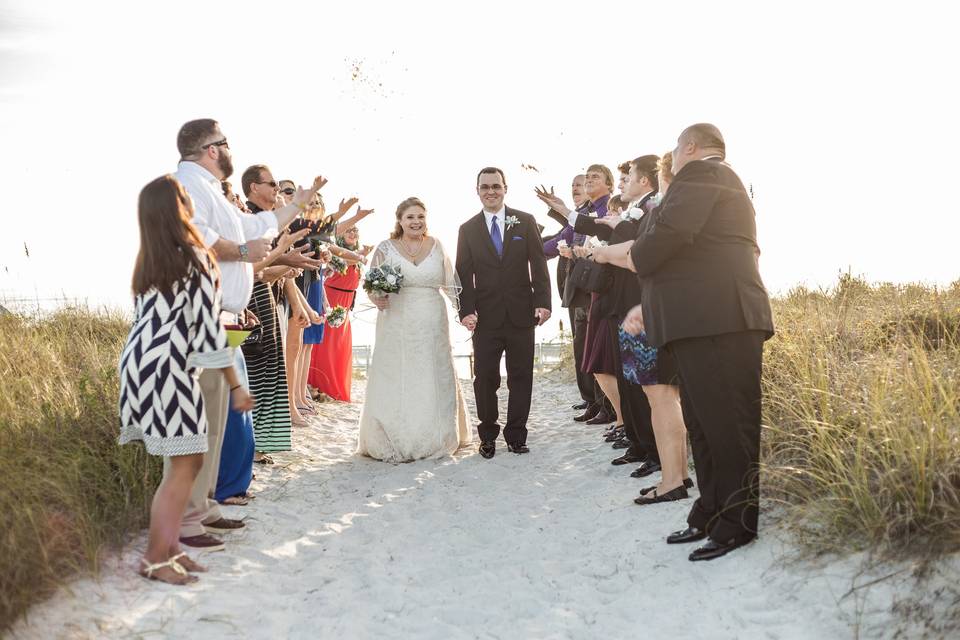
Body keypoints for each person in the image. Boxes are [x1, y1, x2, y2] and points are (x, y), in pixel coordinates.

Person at [621, 124, 774, 560]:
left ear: (690, 147)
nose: (672, 156)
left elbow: (656, 244)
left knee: (728, 428)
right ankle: (709, 512)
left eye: (675, 148)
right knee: (706, 427)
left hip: (720, 322)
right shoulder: (709, 181)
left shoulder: (703, 174)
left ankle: (737, 524)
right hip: (702, 323)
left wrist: (644, 250)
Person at [118, 175, 254, 584]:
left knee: (182, 460)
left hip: (140, 364)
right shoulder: (197, 255)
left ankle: (170, 548)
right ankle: (156, 558)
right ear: (179, 209)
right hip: (170, 368)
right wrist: (235, 384)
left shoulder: (149, 261)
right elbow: (211, 331)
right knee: (187, 463)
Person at [591, 154, 691, 499]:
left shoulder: (660, 211)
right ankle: (677, 474)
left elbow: (639, 253)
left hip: (656, 315)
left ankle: (672, 481)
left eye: (631, 175)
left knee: (661, 398)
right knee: (663, 397)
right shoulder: (665, 210)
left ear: (660, 177)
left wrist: (603, 254)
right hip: (653, 309)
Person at [357, 197, 470, 462]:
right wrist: (377, 298)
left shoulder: (437, 246)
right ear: (400, 220)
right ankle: (393, 434)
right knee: (398, 374)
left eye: (420, 216)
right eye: (410, 217)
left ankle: (437, 434)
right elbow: (372, 286)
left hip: (432, 319)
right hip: (396, 319)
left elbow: (450, 287)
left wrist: (465, 314)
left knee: (432, 372)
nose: (416, 222)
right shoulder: (386, 248)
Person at [456, 167, 552, 459]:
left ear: (505, 188)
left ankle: (516, 435)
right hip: (485, 317)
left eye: (496, 186)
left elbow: (538, 264)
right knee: (485, 378)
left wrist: (543, 302)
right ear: (477, 191)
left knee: (521, 376)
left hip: (522, 314)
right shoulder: (468, 229)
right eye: (485, 187)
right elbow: (463, 273)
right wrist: (466, 311)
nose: (491, 191)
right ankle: (487, 436)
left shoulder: (525, 221)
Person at [541, 174, 598, 413]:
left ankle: (597, 402)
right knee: (579, 344)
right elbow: (558, 240)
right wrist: (534, 251)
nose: (576, 188)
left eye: (581, 184)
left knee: (587, 344)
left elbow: (567, 238)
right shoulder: (573, 219)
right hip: (573, 289)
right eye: (573, 184)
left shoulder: (593, 213)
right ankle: (589, 398)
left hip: (587, 287)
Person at [308, 224, 369, 402]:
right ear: (340, 234)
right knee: (328, 345)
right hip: (332, 299)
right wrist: (360, 255)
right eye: (349, 230)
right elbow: (343, 263)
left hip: (346, 303)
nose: (353, 233)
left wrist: (360, 255)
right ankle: (319, 385)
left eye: (356, 230)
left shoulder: (357, 255)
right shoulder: (334, 252)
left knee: (340, 347)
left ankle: (336, 389)